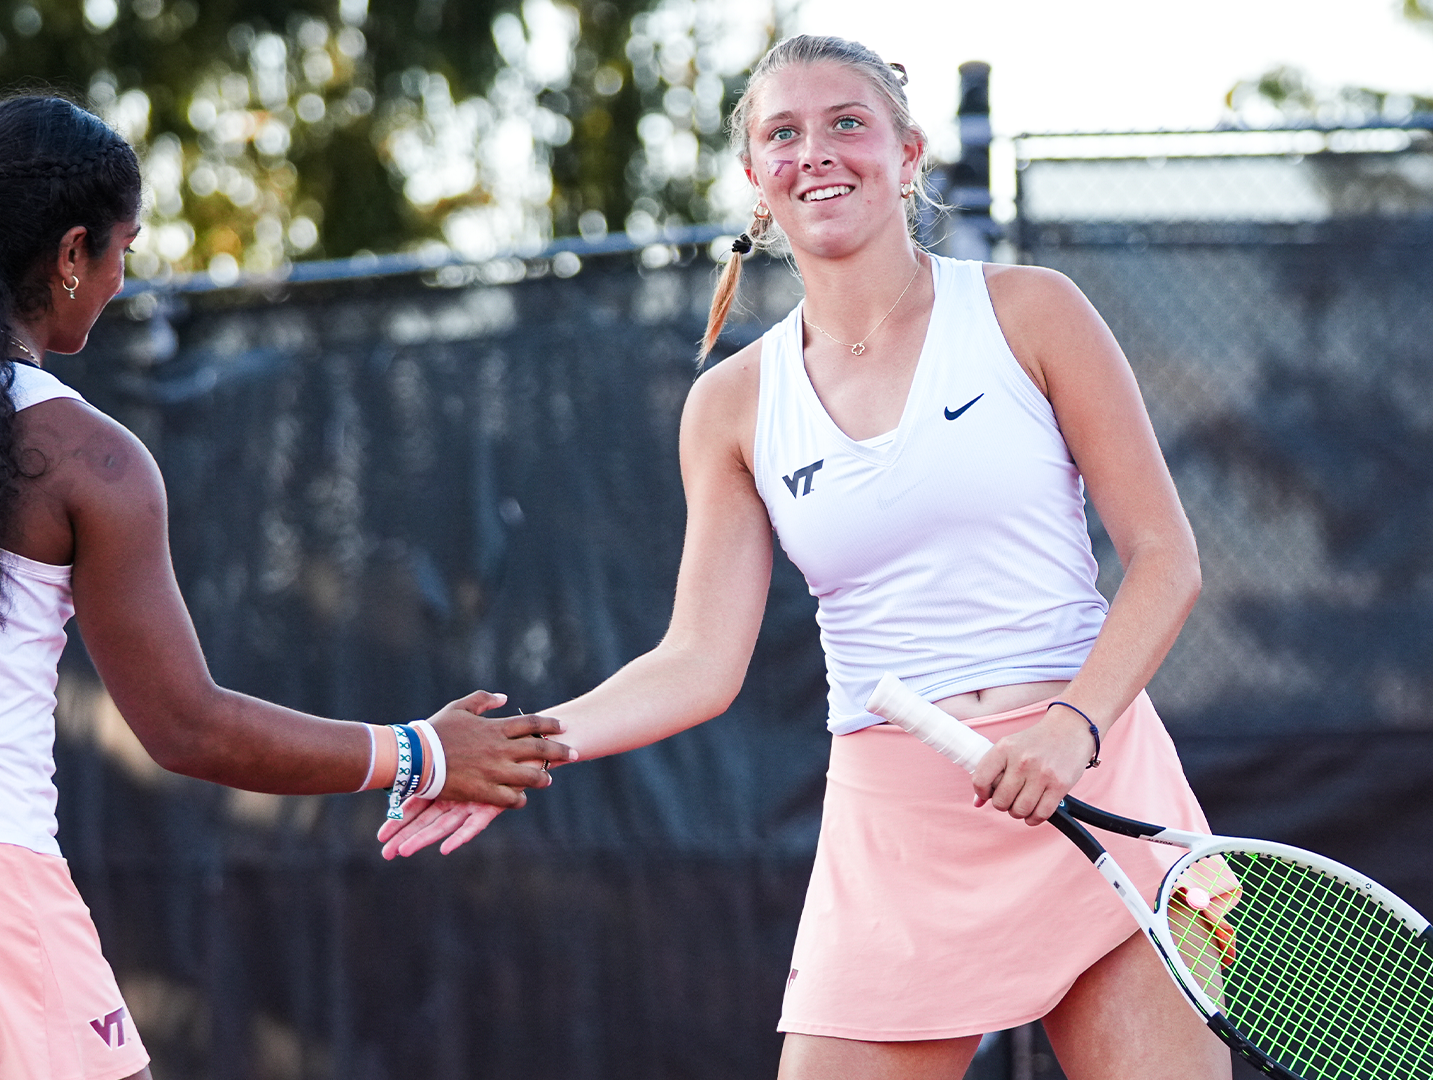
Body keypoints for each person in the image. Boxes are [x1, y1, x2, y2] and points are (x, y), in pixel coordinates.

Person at [0, 95, 571, 1080]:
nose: (124, 278)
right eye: (124, 247)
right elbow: (189, 728)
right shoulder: (93, 459)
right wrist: (422, 752)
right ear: (72, 252)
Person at [379, 35, 1232, 1080]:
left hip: (1099, 786)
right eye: (783, 133)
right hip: (898, 830)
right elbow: (697, 660)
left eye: (847, 123)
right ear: (756, 177)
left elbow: (1166, 558)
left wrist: (1072, 728)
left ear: (907, 155)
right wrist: (521, 748)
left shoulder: (1033, 311)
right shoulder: (731, 404)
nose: (816, 152)